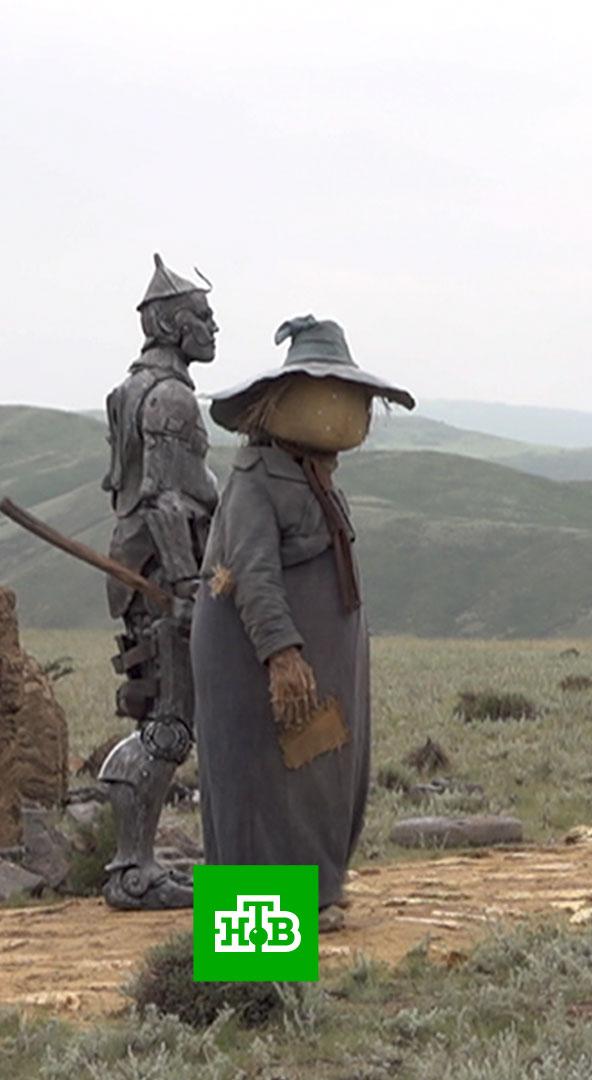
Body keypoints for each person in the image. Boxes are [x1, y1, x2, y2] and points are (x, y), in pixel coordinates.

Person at [195, 316, 415, 932]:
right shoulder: (255, 482)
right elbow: (253, 573)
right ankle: (253, 944)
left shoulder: (313, 479)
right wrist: (282, 653)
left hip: (318, 664)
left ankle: (314, 893)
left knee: (317, 778)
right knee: (259, 784)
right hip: (259, 660)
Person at [94, 254, 221, 911]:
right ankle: (131, 869)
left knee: (167, 713)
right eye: (202, 317)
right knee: (170, 722)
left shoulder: (135, 387)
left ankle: (136, 858)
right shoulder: (169, 397)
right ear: (172, 324)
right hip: (164, 574)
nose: (213, 328)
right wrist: (186, 585)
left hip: (151, 570)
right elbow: (167, 499)